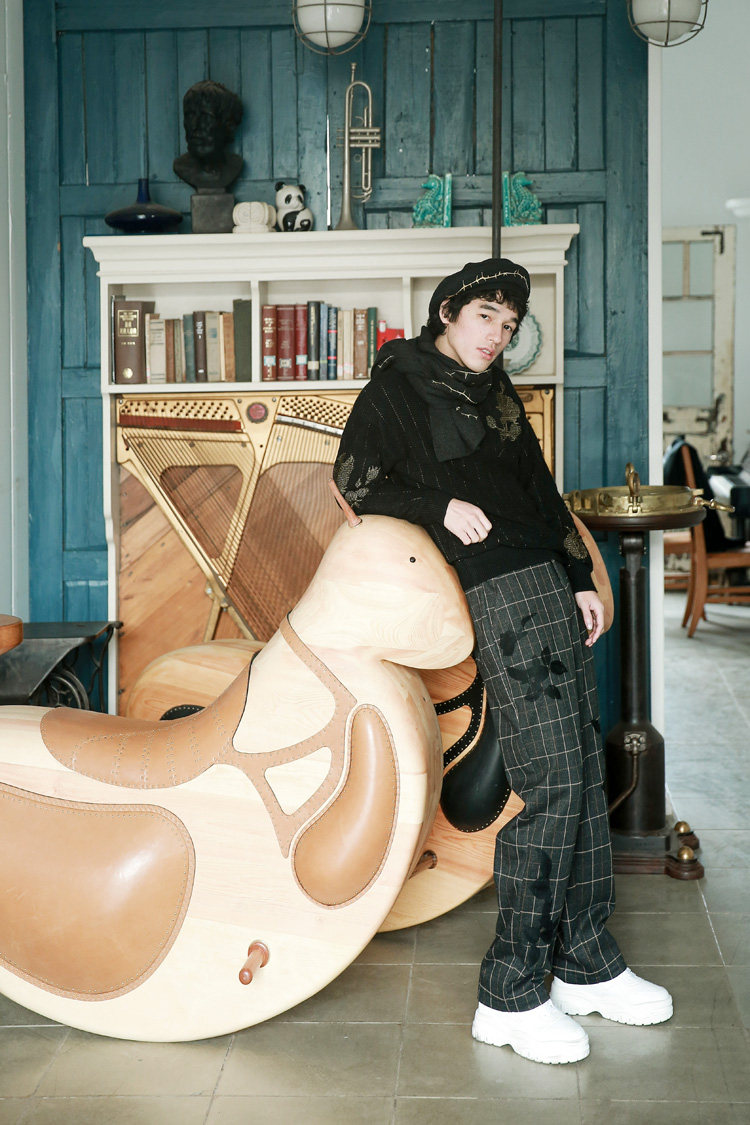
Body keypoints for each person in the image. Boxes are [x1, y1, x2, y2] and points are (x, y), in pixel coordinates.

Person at [333, 258, 673, 1065]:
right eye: (485, 316)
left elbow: (541, 493)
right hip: (493, 590)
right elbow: (354, 482)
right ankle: (511, 992)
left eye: (510, 326)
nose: (497, 336)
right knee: (550, 781)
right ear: (449, 310)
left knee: (582, 770)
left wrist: (580, 575)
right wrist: (440, 505)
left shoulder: (498, 395)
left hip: (545, 580)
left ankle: (585, 961)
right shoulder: (397, 387)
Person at [173, 80, 243, 192]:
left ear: (229, 125)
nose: (194, 126)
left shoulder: (235, 165)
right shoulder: (181, 166)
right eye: (190, 116)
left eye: (206, 117)